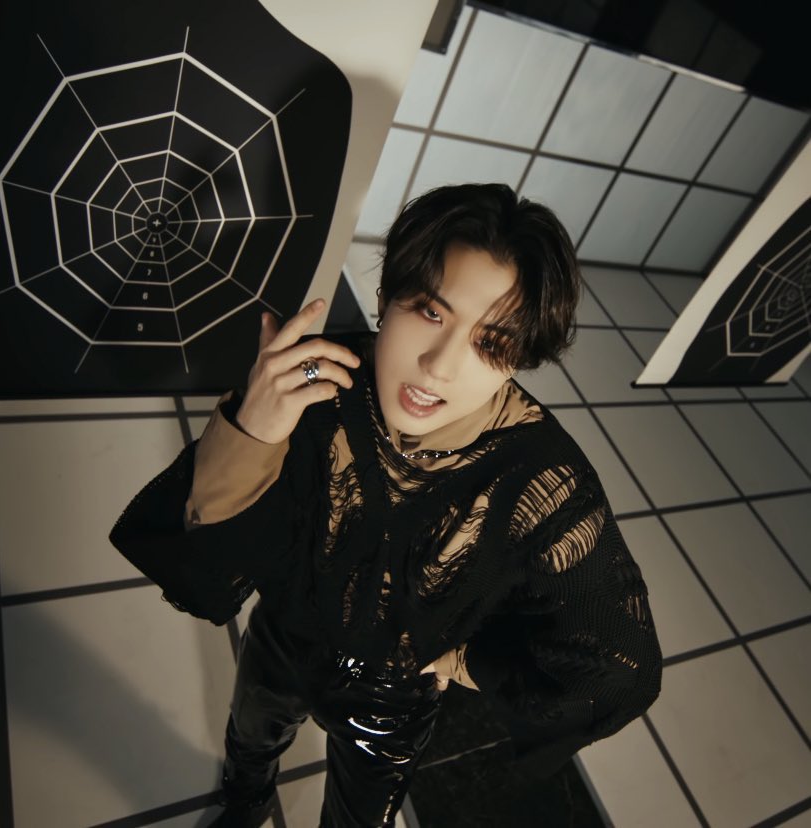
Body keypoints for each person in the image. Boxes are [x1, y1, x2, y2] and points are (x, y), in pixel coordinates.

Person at [110, 183, 662, 828]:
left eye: (493, 342)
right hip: (282, 636)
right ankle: (246, 802)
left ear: (522, 357)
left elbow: (618, 665)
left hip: (393, 692)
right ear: (386, 296)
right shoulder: (316, 385)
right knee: (249, 744)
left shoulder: (542, 481)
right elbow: (205, 567)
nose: (439, 366)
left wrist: (464, 659)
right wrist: (251, 430)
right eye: (429, 310)